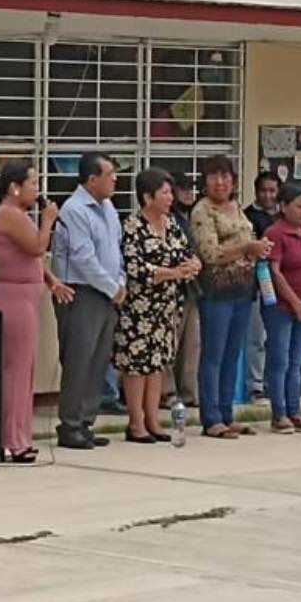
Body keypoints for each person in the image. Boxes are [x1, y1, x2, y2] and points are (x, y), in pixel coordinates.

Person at [0, 163, 70, 462]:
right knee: (16, 372)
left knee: (26, 370)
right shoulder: (8, 213)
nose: (38, 189)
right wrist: (48, 220)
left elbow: (32, 259)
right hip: (13, 298)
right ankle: (11, 439)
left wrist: (51, 280)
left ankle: (21, 435)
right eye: (33, 182)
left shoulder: (19, 215)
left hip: (27, 296)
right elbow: (37, 247)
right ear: (14, 187)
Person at [116, 168, 200, 442]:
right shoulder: (132, 225)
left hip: (167, 307)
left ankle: (152, 420)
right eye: (164, 192)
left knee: (157, 365)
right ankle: (136, 423)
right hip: (140, 308)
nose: (170, 197)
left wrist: (193, 265)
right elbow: (135, 266)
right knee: (137, 365)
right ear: (147, 196)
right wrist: (173, 273)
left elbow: (188, 253)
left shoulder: (172, 223)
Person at [50, 153, 126, 450]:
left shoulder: (108, 208)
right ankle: (69, 424)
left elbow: (115, 250)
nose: (115, 179)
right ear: (92, 178)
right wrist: (111, 286)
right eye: (109, 174)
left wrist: (120, 283)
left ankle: (86, 421)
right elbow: (83, 258)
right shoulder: (74, 209)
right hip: (81, 291)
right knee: (79, 358)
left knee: (98, 359)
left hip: (107, 292)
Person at [191, 155, 270, 439]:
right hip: (216, 291)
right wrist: (248, 247)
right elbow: (210, 254)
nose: (220, 182)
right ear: (205, 182)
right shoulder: (203, 211)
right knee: (213, 355)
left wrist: (257, 248)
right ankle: (211, 417)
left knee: (232, 355)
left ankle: (227, 413)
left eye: (225, 176)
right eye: (214, 177)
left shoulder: (237, 207)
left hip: (243, 289)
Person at [262, 183, 301, 433]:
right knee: (280, 360)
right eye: (298, 206)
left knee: (297, 360)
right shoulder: (275, 233)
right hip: (282, 307)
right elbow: (274, 271)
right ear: (283, 207)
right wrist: (295, 302)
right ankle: (279, 414)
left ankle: (294, 409)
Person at [244, 170, 281, 405]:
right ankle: (255, 386)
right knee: (256, 338)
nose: (268, 195)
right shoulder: (247, 217)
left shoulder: (284, 216)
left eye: (272, 191)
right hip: (258, 284)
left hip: (283, 286)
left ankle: (274, 383)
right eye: (263, 191)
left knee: (276, 338)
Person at [165, 174, 201, 409]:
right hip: (171, 287)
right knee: (170, 343)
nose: (188, 193)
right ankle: (167, 393)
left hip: (192, 287)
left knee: (192, 344)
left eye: (191, 189)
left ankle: (188, 393)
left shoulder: (194, 216)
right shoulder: (169, 218)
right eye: (183, 189)